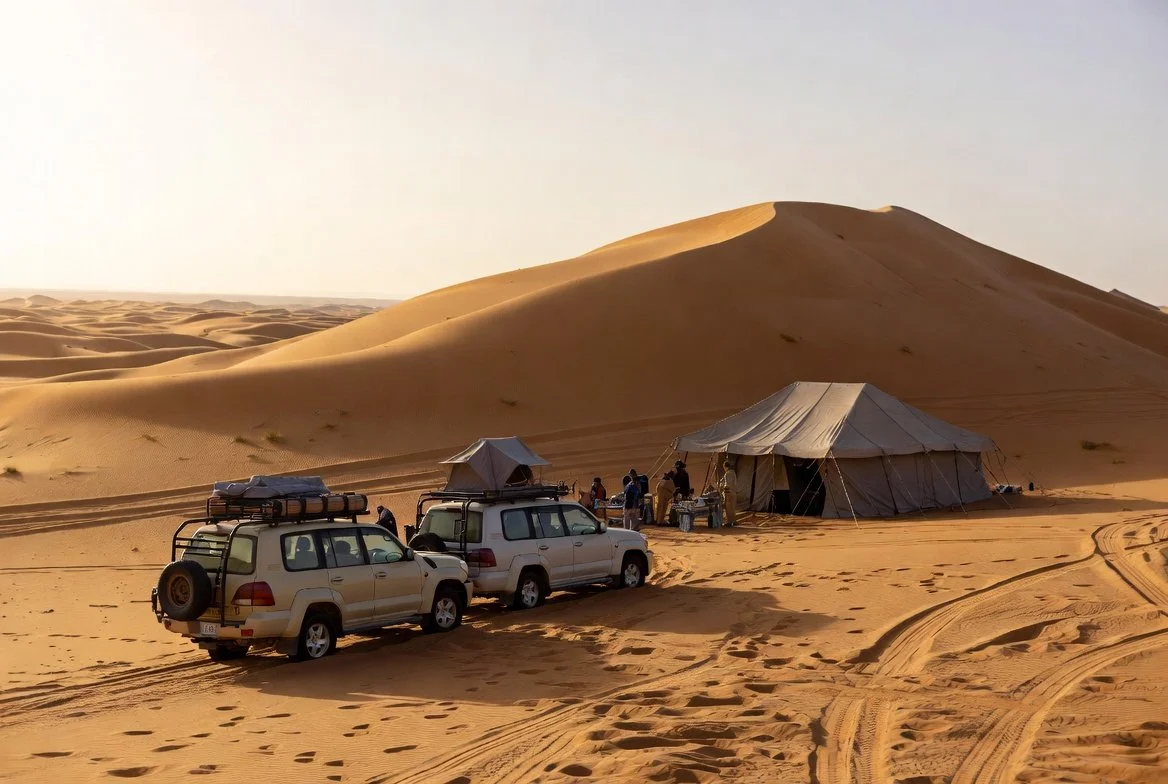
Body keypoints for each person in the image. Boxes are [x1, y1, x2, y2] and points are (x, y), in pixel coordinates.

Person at [719, 457, 738, 527]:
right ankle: (734, 521)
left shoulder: (727, 474)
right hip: (734, 492)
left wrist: (722, 487)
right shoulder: (733, 473)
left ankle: (729, 522)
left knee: (728, 508)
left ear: (725, 467)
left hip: (729, 493)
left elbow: (727, 485)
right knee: (733, 508)